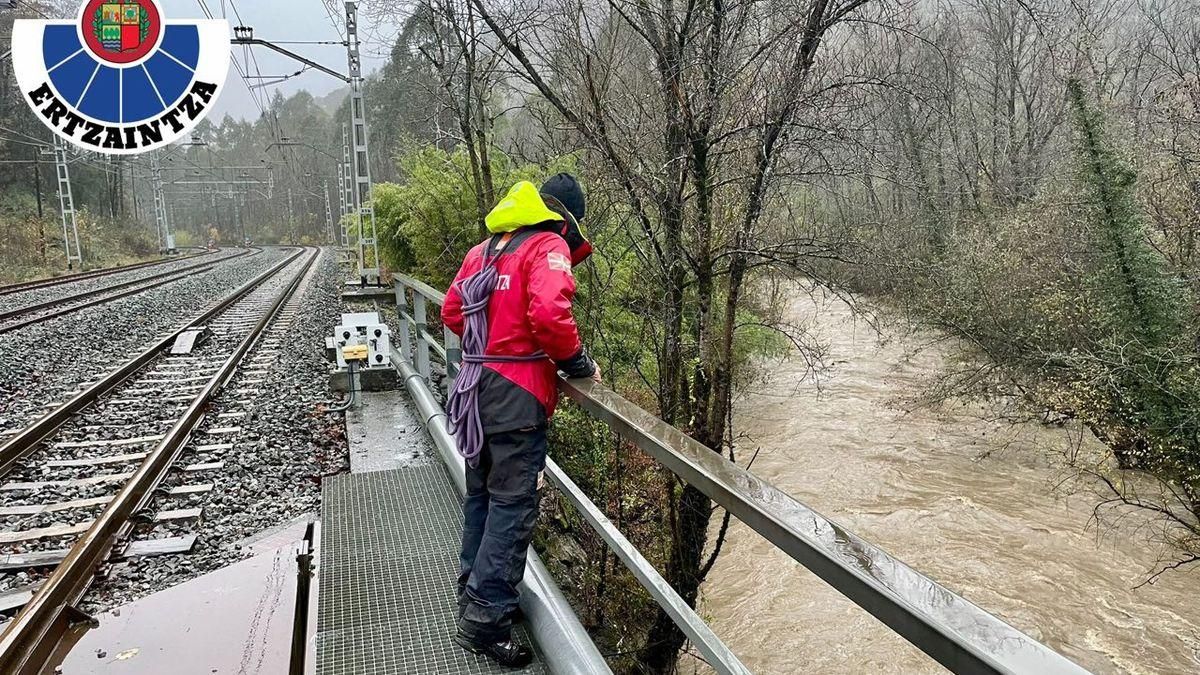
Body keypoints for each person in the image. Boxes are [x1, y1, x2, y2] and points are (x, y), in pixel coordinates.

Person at [442, 173, 600, 667]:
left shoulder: (483, 250)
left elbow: (451, 311)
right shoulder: (546, 246)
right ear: (566, 218)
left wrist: (492, 341)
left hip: (474, 390)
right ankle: (486, 620)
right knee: (513, 506)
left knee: (483, 495)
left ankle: (473, 588)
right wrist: (576, 364)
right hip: (517, 397)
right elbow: (551, 315)